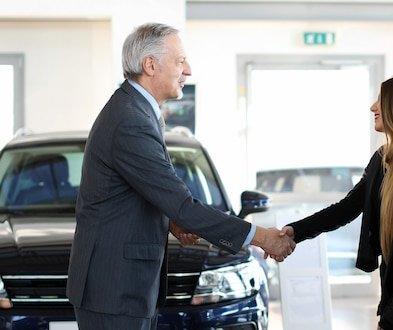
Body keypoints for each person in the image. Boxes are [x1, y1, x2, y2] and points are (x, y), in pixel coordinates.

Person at [66, 22, 295, 329]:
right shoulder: (130, 120)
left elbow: (148, 191)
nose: (188, 70)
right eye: (180, 61)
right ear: (150, 65)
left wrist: (172, 219)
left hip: (124, 288)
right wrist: (262, 237)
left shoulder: (137, 111)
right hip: (114, 289)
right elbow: (182, 203)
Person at [279, 76, 393, 330]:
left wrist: (390, 317)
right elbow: (346, 208)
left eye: (380, 100)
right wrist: (295, 231)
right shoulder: (383, 160)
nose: (373, 107)